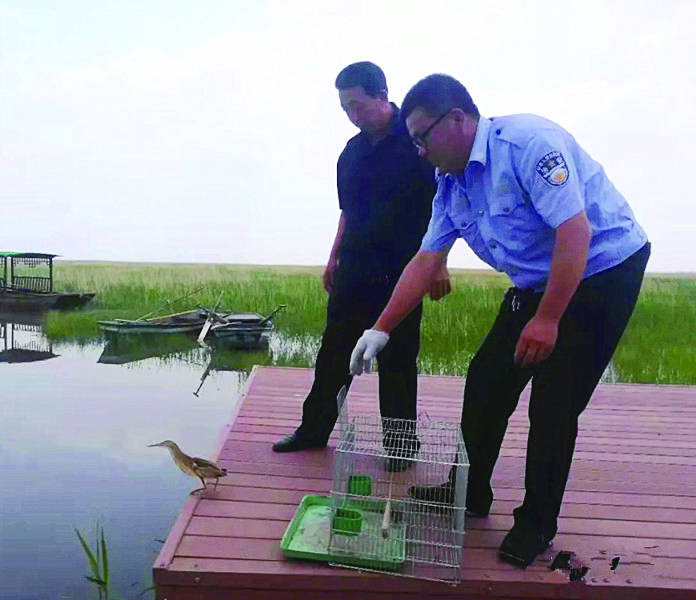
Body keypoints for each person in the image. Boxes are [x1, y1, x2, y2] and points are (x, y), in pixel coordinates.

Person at [349, 73, 650, 567]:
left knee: (553, 403)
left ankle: (535, 525)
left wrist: (548, 320)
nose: (419, 151)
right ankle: (467, 492)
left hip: (603, 270)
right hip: (536, 281)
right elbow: (426, 259)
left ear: (459, 120)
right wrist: (381, 328)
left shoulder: (530, 144)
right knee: (487, 378)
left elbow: (575, 233)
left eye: (422, 137)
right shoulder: (450, 186)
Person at [272, 62, 447, 470]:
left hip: (404, 271)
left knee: (398, 359)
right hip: (354, 267)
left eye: (357, 104)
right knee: (333, 351)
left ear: (382, 96)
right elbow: (347, 210)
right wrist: (333, 256)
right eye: (345, 107)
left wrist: (439, 264)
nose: (351, 114)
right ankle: (314, 430)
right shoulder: (351, 153)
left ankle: (400, 447)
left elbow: (446, 207)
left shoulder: (419, 143)